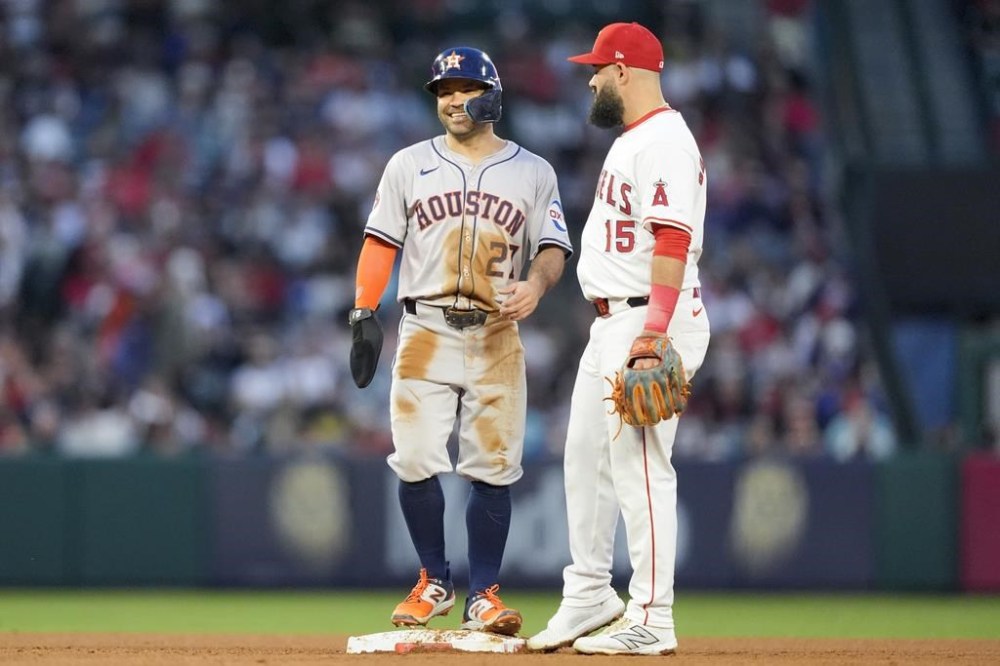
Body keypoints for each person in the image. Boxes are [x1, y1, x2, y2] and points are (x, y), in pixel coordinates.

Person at [348, 46, 572, 636]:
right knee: (415, 458)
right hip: (425, 328)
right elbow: (380, 242)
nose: (451, 99)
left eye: (464, 88)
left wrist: (538, 285)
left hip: (498, 330)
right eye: (443, 91)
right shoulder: (408, 164)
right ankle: (433, 580)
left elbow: (552, 247)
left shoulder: (534, 171)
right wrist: (363, 308)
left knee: (493, 468)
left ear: (493, 95)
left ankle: (486, 596)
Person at [527, 23, 711, 655]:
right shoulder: (639, 138)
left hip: (646, 319)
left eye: (599, 68)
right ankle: (588, 595)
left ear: (625, 70)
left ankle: (653, 618)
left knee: (639, 467)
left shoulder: (662, 140)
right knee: (585, 457)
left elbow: (673, 242)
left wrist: (653, 334)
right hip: (613, 320)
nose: (591, 78)